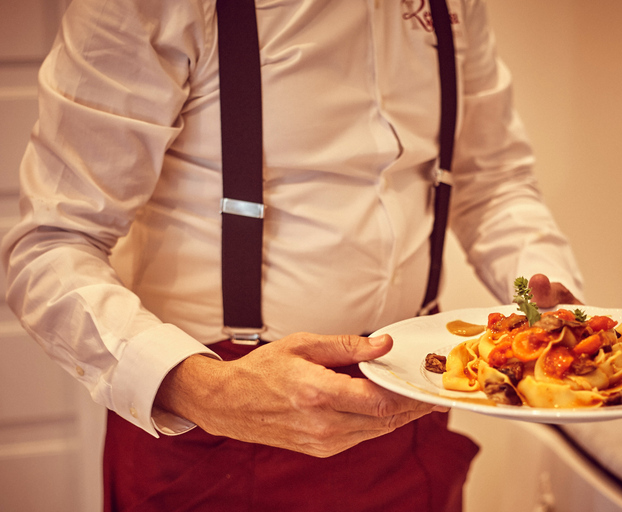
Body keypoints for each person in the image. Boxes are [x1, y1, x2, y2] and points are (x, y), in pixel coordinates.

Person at [1, 0, 584, 510]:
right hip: (213, 430)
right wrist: (199, 390)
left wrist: (545, 300)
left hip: (409, 410)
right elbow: (51, 243)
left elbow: (493, 180)